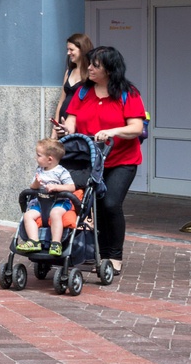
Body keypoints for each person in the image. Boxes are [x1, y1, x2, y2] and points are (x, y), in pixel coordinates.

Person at [57, 45, 146, 276]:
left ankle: (113, 255)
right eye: (90, 64)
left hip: (122, 160)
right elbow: (72, 122)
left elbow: (136, 127)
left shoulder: (128, 93)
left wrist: (112, 131)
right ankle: (93, 250)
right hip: (91, 160)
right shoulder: (83, 92)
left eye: (95, 65)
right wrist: (63, 130)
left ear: (109, 68)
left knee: (110, 204)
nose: (89, 68)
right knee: (89, 206)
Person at [15, 138, 78, 256]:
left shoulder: (61, 171)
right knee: (28, 215)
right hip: (41, 201)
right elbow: (32, 187)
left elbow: (72, 187)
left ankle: (56, 242)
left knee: (55, 214)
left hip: (60, 202)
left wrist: (57, 187)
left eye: (39, 155)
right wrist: (36, 183)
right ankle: (34, 241)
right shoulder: (40, 170)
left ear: (50, 159)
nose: (36, 158)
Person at [54, 32, 94, 124]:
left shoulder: (91, 73)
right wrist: (55, 125)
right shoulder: (69, 71)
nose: (68, 53)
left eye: (71, 49)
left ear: (82, 49)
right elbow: (61, 101)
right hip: (63, 120)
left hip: (80, 122)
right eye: (67, 49)